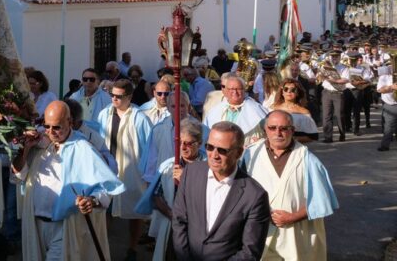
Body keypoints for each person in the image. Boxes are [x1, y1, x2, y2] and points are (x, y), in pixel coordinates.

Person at [13, 101, 125, 261]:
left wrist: (91, 200)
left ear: (70, 123)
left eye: (56, 127)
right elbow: (19, 175)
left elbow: (106, 186)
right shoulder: (39, 144)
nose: (51, 132)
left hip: (65, 228)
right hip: (35, 224)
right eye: (47, 126)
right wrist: (25, 149)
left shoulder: (84, 148)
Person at [242, 110, 338, 259]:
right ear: (265, 129)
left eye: (284, 128)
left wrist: (293, 217)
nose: (278, 133)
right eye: (272, 128)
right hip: (259, 233)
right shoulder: (249, 156)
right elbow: (238, 193)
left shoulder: (308, 160)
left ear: (292, 130)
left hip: (297, 234)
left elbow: (322, 201)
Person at [171, 121, 271, 260]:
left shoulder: (254, 195)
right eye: (210, 147)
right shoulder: (191, 173)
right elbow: (179, 220)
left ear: (239, 152)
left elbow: (250, 252)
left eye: (223, 150)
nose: (214, 155)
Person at [136, 119, 207, 261]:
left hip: (199, 227)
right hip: (171, 223)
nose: (183, 147)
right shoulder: (168, 165)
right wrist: (171, 214)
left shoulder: (208, 167)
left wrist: (186, 179)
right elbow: (157, 195)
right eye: (180, 142)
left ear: (199, 144)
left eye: (188, 143)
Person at [97, 80, 152, 260]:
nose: (114, 99)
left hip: (132, 170)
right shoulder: (105, 114)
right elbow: (98, 139)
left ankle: (132, 248)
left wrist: (146, 174)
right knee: (104, 207)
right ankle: (103, 246)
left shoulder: (140, 118)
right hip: (107, 168)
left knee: (134, 211)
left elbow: (148, 148)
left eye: (119, 96)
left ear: (129, 97)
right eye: (112, 95)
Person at [141, 91, 207, 185]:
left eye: (182, 106)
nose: (178, 110)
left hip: (193, 182)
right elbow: (152, 159)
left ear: (188, 107)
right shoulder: (158, 130)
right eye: (173, 106)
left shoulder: (202, 130)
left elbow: (205, 158)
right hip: (165, 181)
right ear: (167, 108)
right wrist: (150, 182)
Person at [204, 75, 267, 147]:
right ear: (226, 91)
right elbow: (205, 134)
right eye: (231, 89)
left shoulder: (257, 110)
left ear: (244, 90)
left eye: (238, 89)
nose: (235, 92)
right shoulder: (215, 110)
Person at [64, 98, 117, 173]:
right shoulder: (54, 133)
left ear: (72, 120)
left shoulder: (92, 135)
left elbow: (113, 166)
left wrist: (99, 157)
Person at [319, 50, 349, 143]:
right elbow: (320, 77)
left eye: (336, 56)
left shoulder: (344, 68)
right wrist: (321, 75)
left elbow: (345, 80)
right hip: (326, 92)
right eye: (333, 57)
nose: (334, 58)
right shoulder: (325, 66)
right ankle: (328, 137)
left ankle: (342, 134)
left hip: (338, 93)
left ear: (340, 57)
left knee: (339, 115)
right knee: (326, 116)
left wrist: (334, 81)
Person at [376, 65, 397, 151]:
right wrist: (391, 87)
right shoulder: (384, 77)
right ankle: (385, 145)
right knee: (388, 127)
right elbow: (379, 90)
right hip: (390, 105)